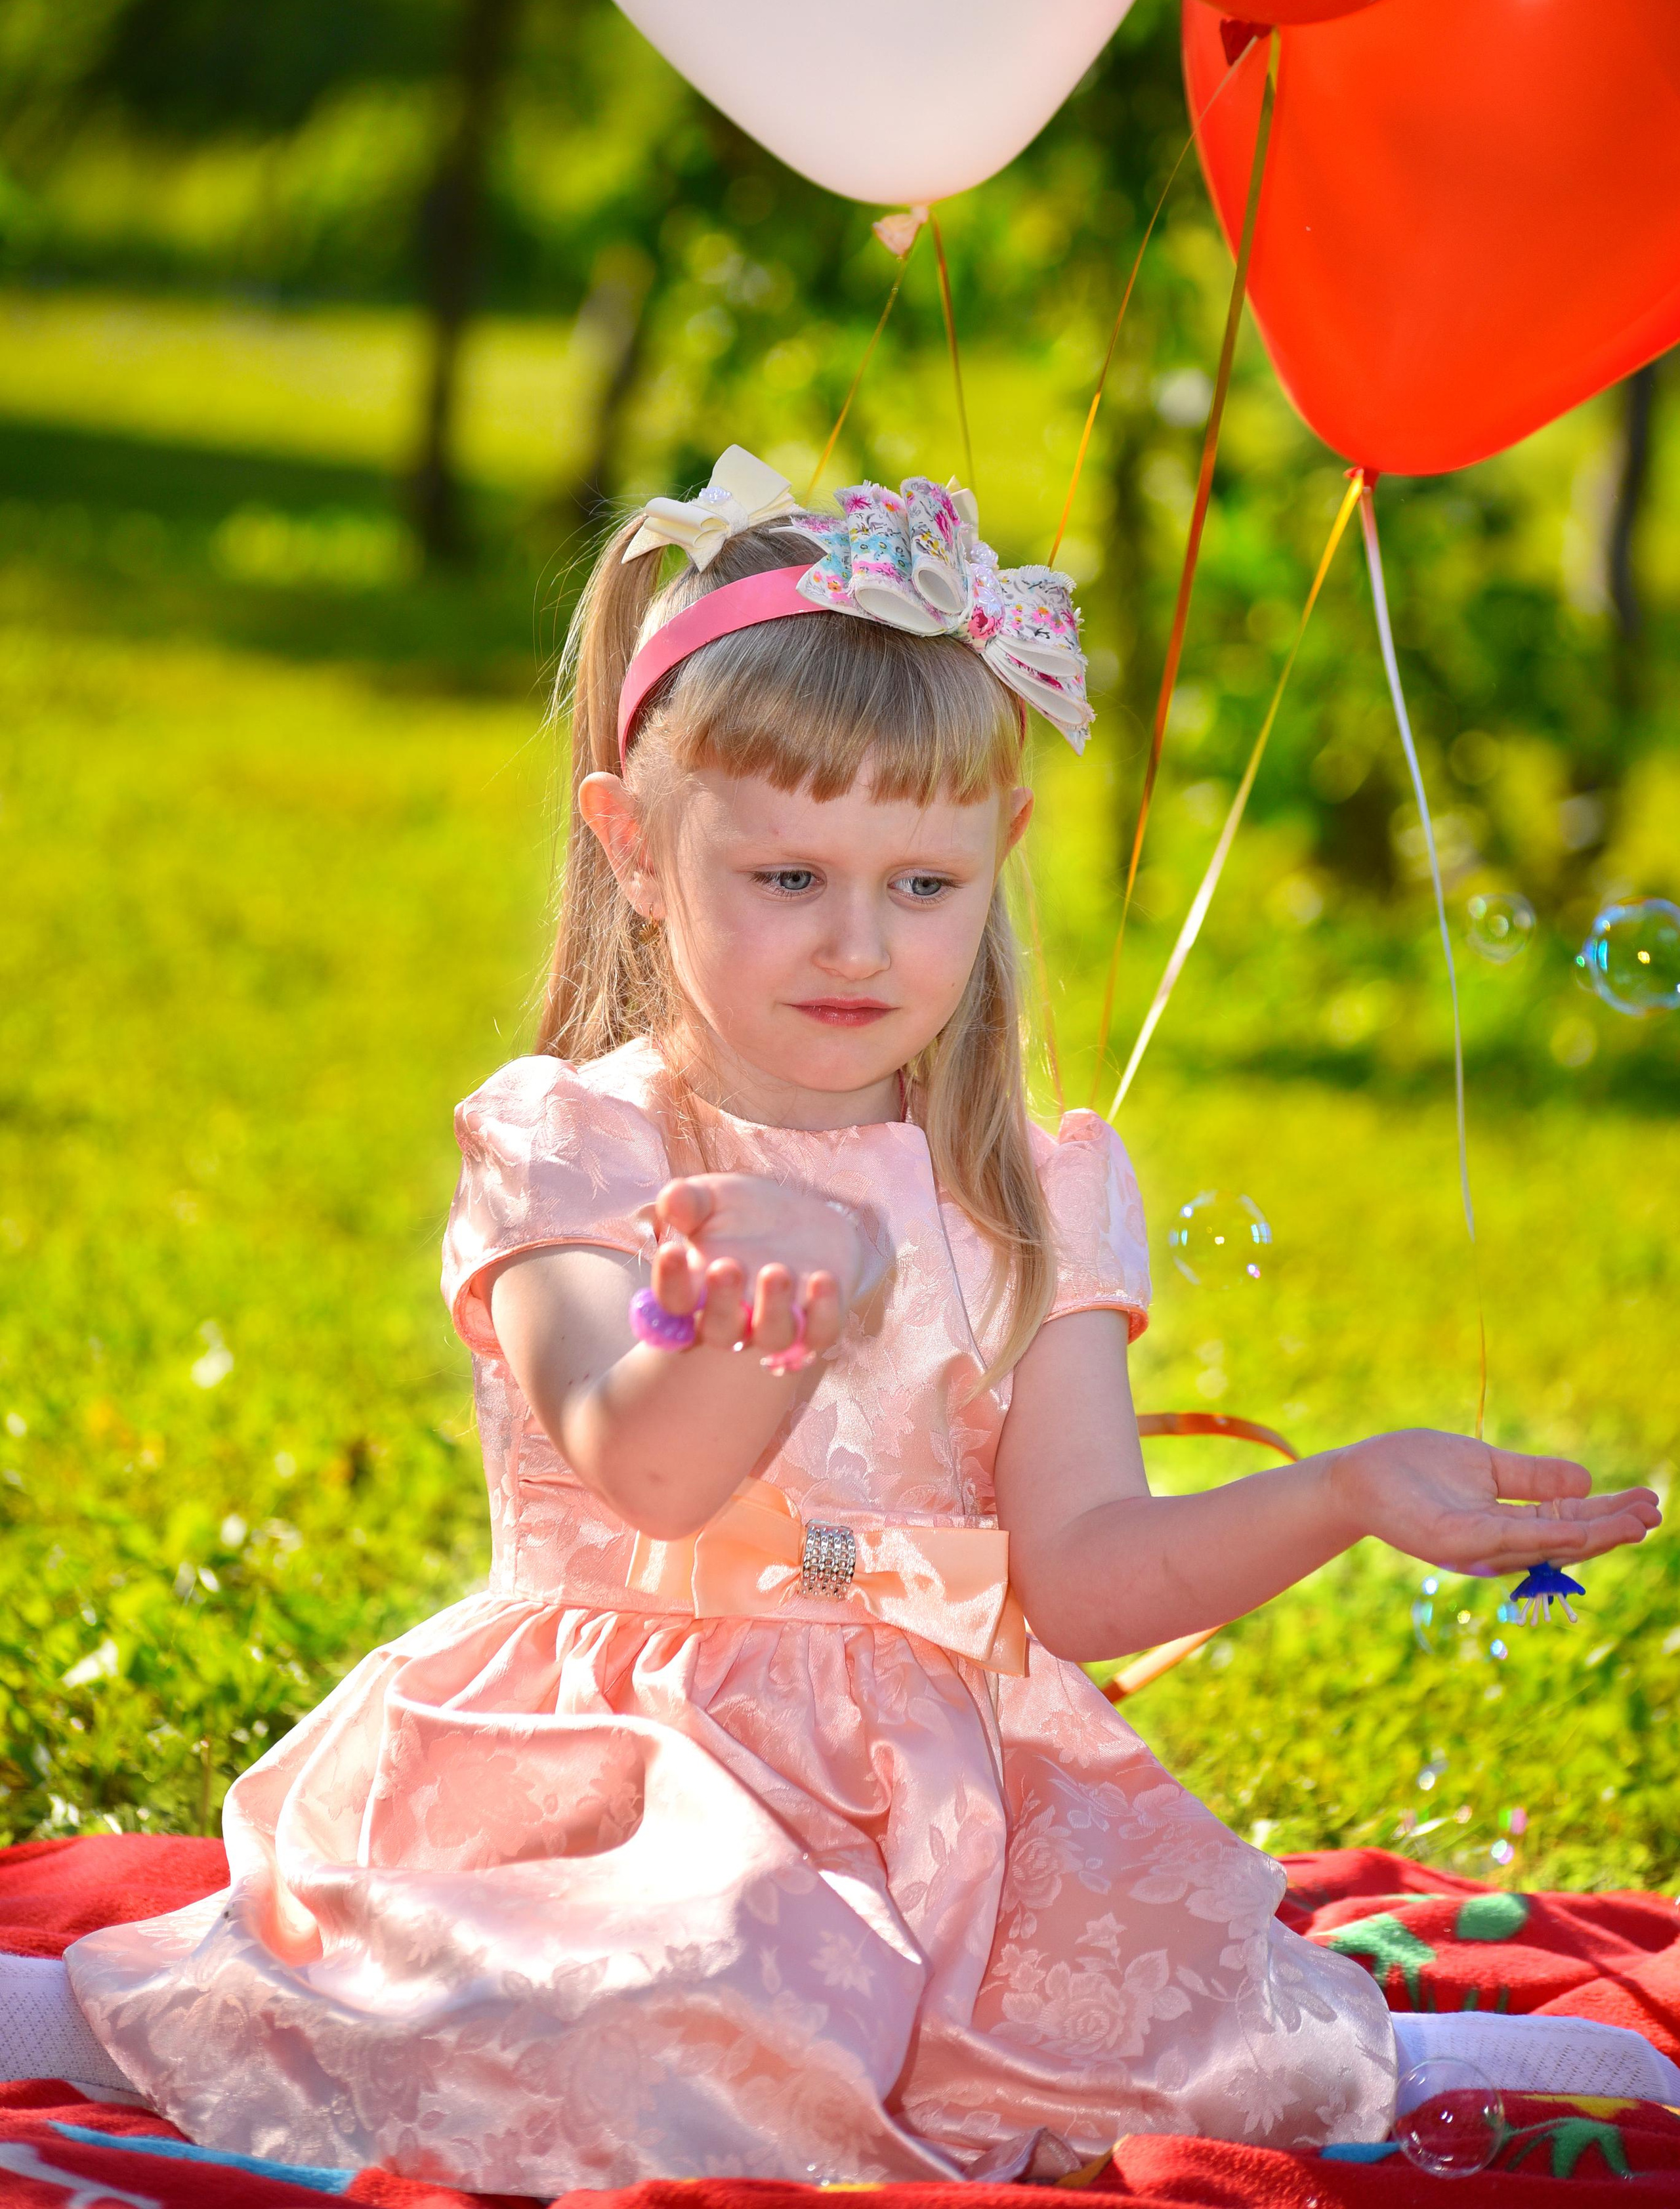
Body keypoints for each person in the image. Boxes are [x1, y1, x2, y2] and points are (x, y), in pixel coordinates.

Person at [56, 451, 1666, 2189]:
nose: (860, 942)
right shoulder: (576, 1138)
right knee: (719, 1976)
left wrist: (1347, 1492)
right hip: (624, 1766)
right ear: (640, 849)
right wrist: (771, 1321)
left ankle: (1416, 2053)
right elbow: (645, 1474)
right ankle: (104, 2017)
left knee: (1194, 2026)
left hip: (939, 1792)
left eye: (921, 884)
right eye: (788, 875)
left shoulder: (1033, 1191)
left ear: (999, 858)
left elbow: (1089, 1576)